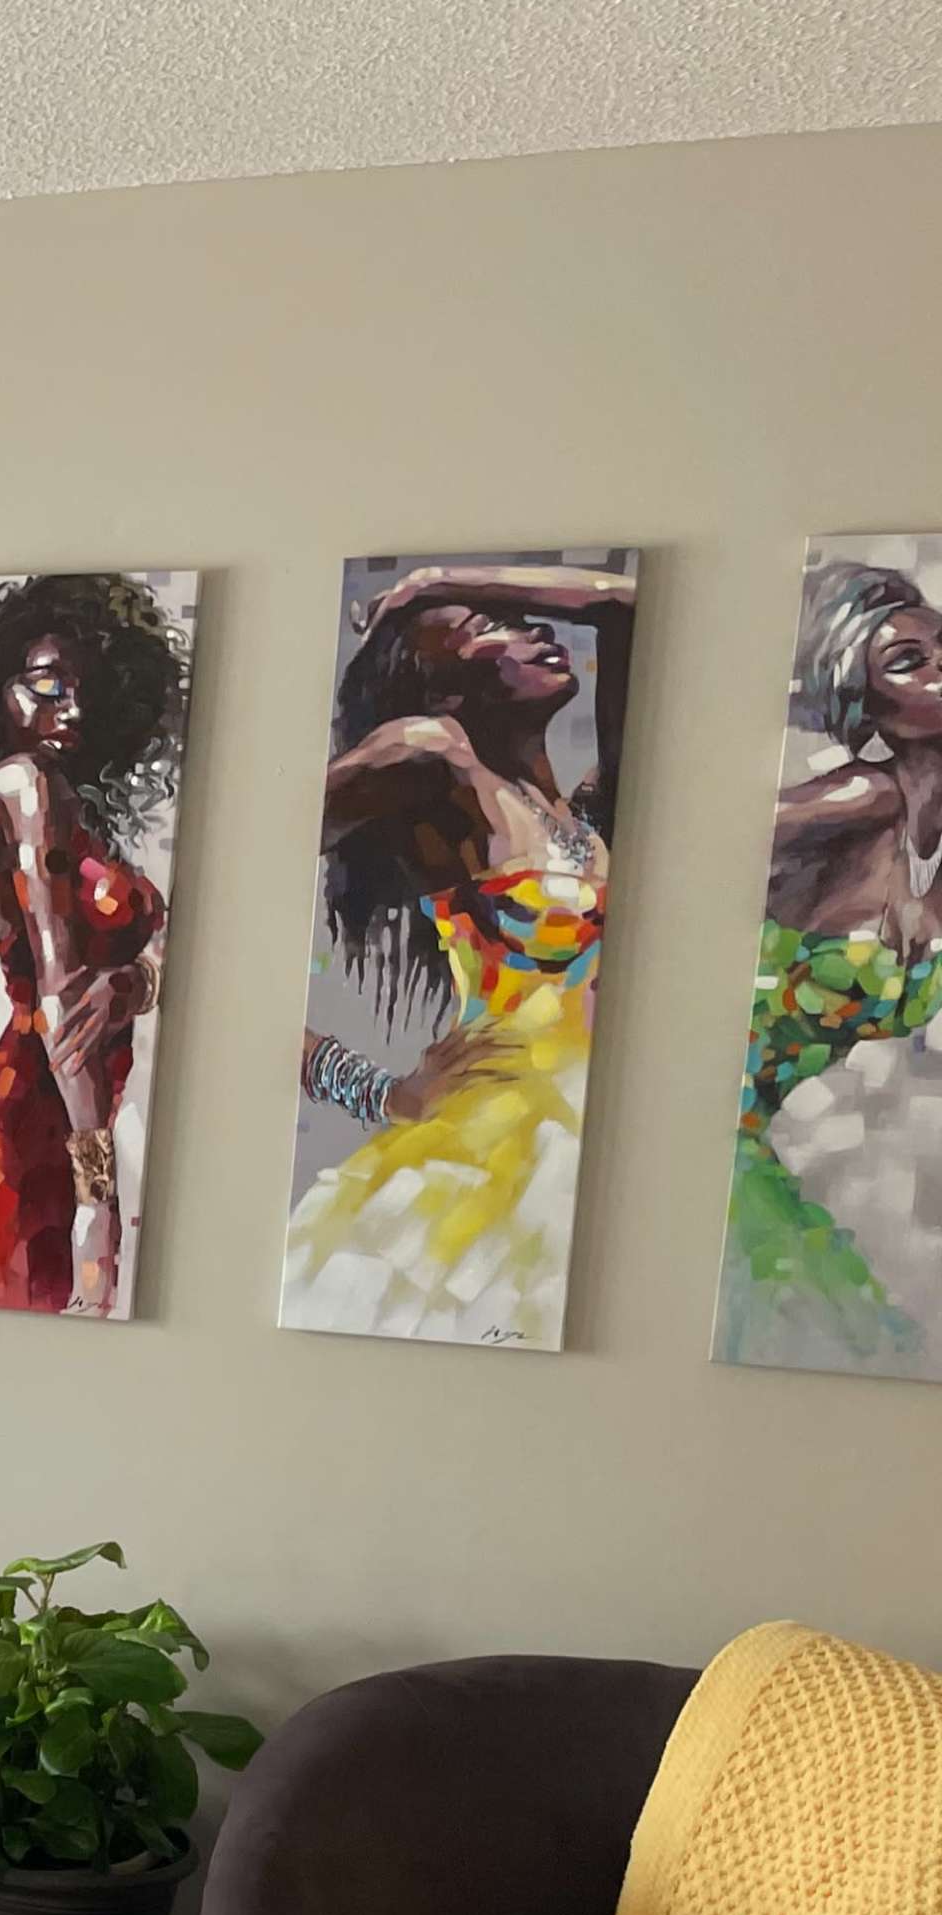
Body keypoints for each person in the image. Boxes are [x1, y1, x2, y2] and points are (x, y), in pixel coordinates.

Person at [282, 560, 637, 1348]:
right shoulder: (436, 755)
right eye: (492, 627)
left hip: (588, 1153)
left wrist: (434, 580)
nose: (539, 628)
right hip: (489, 1157)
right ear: (444, 685)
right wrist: (373, 1089)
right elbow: (228, 865)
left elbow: (622, 607)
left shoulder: (588, 810)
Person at [0, 573, 188, 1316]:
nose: (73, 709)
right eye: (48, 687)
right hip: (18, 1153)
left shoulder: (51, 800)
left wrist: (136, 982)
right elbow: (63, 996)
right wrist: (97, 1193)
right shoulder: (28, 791)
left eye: (86, 690)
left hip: (21, 1144)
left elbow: (133, 964)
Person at [717, 557, 942, 1369]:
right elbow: (677, 853)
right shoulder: (861, 800)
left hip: (767, 1144)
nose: (941, 669)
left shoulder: (933, 833)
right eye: (909, 663)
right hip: (708, 1133)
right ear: (866, 702)